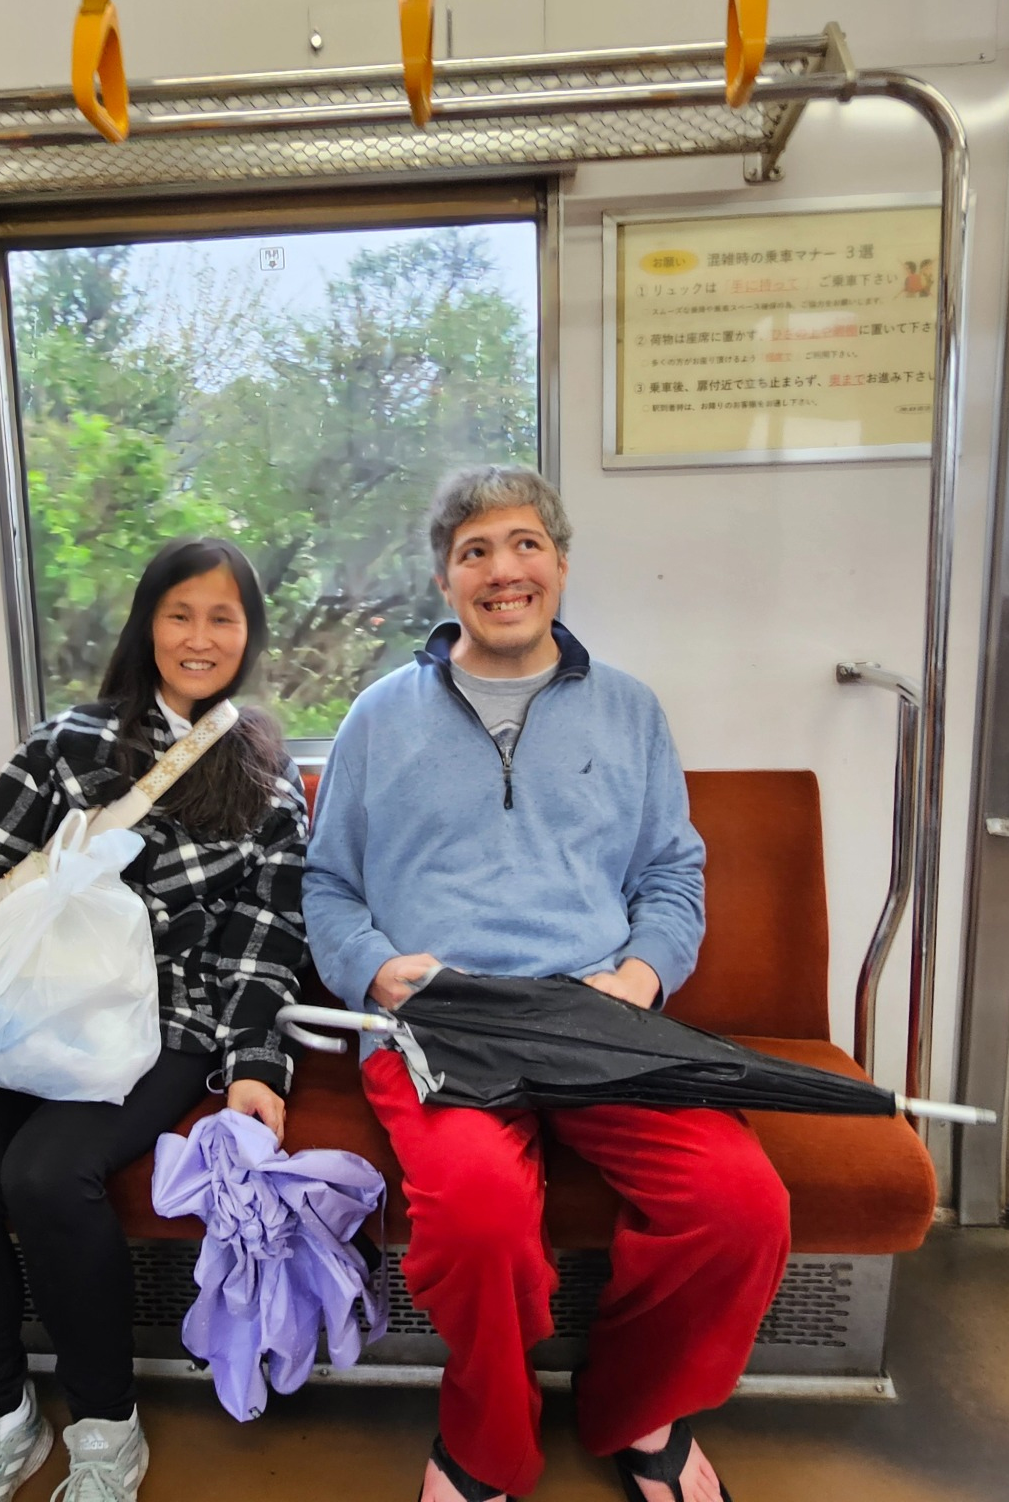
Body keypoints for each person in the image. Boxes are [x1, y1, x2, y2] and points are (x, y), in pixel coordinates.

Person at [303, 468, 790, 1502]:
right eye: (474, 552)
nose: (503, 570)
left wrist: (640, 976)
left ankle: (640, 1409)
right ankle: (485, 1444)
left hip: (595, 1019)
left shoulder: (630, 711)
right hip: (441, 1026)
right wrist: (376, 970)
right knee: (477, 1221)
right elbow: (327, 884)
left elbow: (671, 873)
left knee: (739, 1204)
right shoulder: (377, 718)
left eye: (525, 544)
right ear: (444, 581)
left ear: (560, 565)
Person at [0, 538, 308, 1502]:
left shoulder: (267, 779)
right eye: (179, 614)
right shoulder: (67, 743)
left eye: (223, 618)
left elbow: (266, 940)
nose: (200, 637)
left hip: (164, 1018)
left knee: (48, 1174)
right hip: (28, 1001)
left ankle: (104, 1428)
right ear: (147, 626)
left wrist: (255, 1065)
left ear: (249, 636)